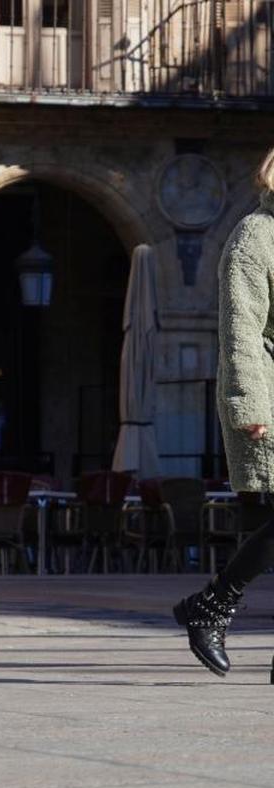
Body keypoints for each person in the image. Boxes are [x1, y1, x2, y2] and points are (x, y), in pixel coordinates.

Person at [174, 148, 274, 677]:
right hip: (269, 395)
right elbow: (241, 331)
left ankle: (209, 606)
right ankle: (212, 605)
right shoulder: (255, 236)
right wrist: (249, 404)